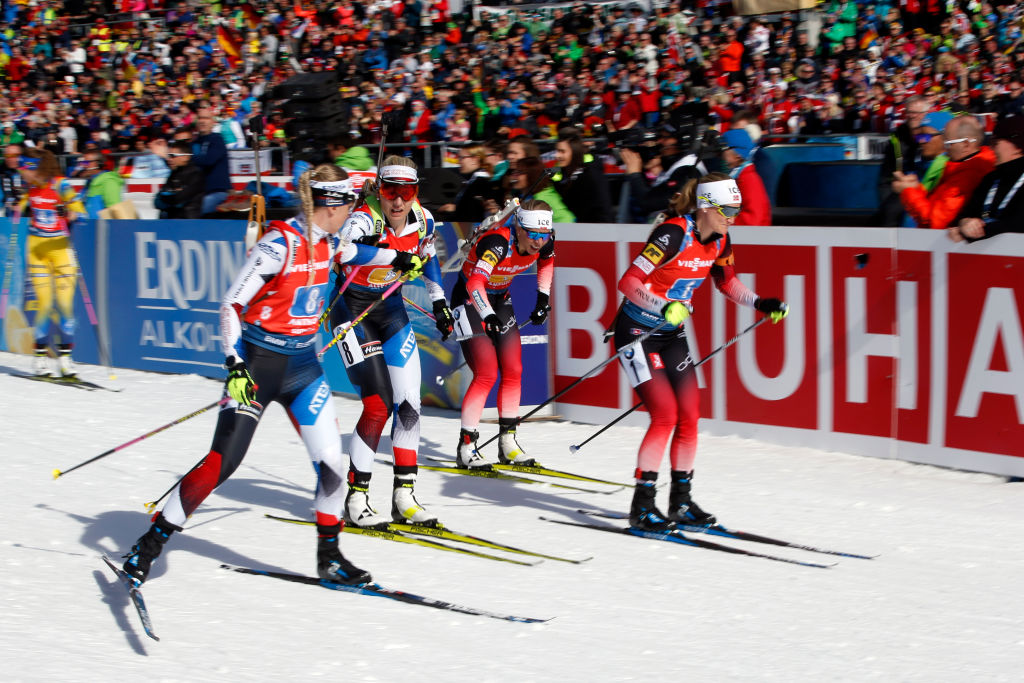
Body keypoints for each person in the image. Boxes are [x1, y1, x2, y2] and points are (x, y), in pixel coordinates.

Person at [121, 164, 372, 586]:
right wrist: (234, 363)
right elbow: (229, 306)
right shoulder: (279, 246)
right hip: (257, 366)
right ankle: (146, 548)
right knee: (223, 462)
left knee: (331, 464)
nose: (354, 209)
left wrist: (406, 257)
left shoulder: (332, 243)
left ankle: (329, 556)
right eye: (349, 201)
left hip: (303, 369)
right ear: (330, 203)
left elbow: (364, 255)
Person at [613, 172, 789, 530]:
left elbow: (727, 282)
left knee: (690, 414)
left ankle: (680, 501)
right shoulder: (673, 233)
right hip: (636, 332)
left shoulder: (721, 240)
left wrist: (760, 302)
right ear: (706, 206)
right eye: (727, 210)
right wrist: (661, 306)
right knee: (664, 414)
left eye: (737, 210)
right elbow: (628, 282)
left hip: (671, 333)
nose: (732, 217)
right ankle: (642, 506)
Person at [327, 155, 454, 528]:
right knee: (378, 404)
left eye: (407, 192)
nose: (398, 201)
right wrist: (394, 256)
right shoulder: (364, 218)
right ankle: (356, 497)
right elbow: (341, 251)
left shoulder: (423, 219)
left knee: (410, 404)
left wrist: (441, 304)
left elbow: (428, 256)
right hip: (352, 311)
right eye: (390, 191)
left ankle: (404, 495)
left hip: (391, 309)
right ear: (379, 190)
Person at [450, 198, 555, 469]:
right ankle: (467, 446)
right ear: (518, 227)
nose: (538, 241)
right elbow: (474, 282)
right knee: (486, 373)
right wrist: (487, 315)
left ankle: (508, 443)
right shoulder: (497, 244)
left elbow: (546, 263)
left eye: (544, 235)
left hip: (499, 298)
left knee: (513, 368)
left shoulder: (544, 242)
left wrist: (543, 299)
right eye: (533, 234)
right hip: (470, 300)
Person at [17, 148, 85, 377]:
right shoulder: (30, 188)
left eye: (23, 167)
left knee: (65, 306)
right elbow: (19, 207)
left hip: (61, 251)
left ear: (35, 168)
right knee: (44, 304)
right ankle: (39, 358)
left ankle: (66, 359)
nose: (20, 171)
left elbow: (80, 211)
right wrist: (16, 209)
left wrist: (68, 211)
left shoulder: (60, 185)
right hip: (37, 252)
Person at [893, 115, 995, 230]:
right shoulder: (959, 167)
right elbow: (935, 206)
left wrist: (908, 191)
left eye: (948, 143)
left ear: (966, 144)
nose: (945, 148)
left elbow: (935, 221)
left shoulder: (968, 175)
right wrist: (915, 188)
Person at [950, 116, 1024, 242]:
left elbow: (1017, 224)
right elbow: (962, 217)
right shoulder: (991, 179)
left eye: (995, 142)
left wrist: (977, 231)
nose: (991, 148)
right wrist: (964, 223)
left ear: (1017, 146)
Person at [551, 128, 613, 223]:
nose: (557, 155)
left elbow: (600, 207)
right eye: (557, 151)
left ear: (574, 152)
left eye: (562, 151)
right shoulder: (558, 169)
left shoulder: (590, 175)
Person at [719, 128, 771, 226]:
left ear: (738, 154)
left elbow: (753, 219)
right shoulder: (740, 177)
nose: (721, 154)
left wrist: (722, 220)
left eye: (724, 149)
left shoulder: (749, 179)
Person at [505, 155, 575, 223]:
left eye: (519, 173)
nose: (514, 176)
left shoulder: (543, 197)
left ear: (532, 175)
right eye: (514, 172)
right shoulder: (521, 196)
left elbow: (566, 219)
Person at [436, 145, 495, 223]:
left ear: (475, 159)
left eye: (462, 158)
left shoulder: (480, 182)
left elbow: (474, 212)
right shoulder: (472, 181)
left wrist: (456, 209)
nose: (458, 161)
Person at [191, 107, 231, 216]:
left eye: (206, 118)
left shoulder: (217, 139)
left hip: (217, 192)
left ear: (213, 122)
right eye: (200, 118)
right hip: (199, 193)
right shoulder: (194, 143)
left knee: (195, 212)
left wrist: (187, 159)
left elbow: (209, 160)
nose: (202, 121)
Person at [154, 140, 205, 219]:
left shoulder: (196, 174)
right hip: (171, 220)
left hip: (188, 221)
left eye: (173, 156)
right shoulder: (174, 174)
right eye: (169, 156)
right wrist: (174, 194)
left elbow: (179, 200)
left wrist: (170, 195)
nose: (169, 159)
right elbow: (157, 202)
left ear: (186, 157)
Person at [73, 150, 125, 218]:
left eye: (86, 162)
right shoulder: (90, 181)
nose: (83, 166)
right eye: (81, 163)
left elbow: (115, 210)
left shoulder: (108, 181)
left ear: (97, 164)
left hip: (101, 226)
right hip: (88, 226)